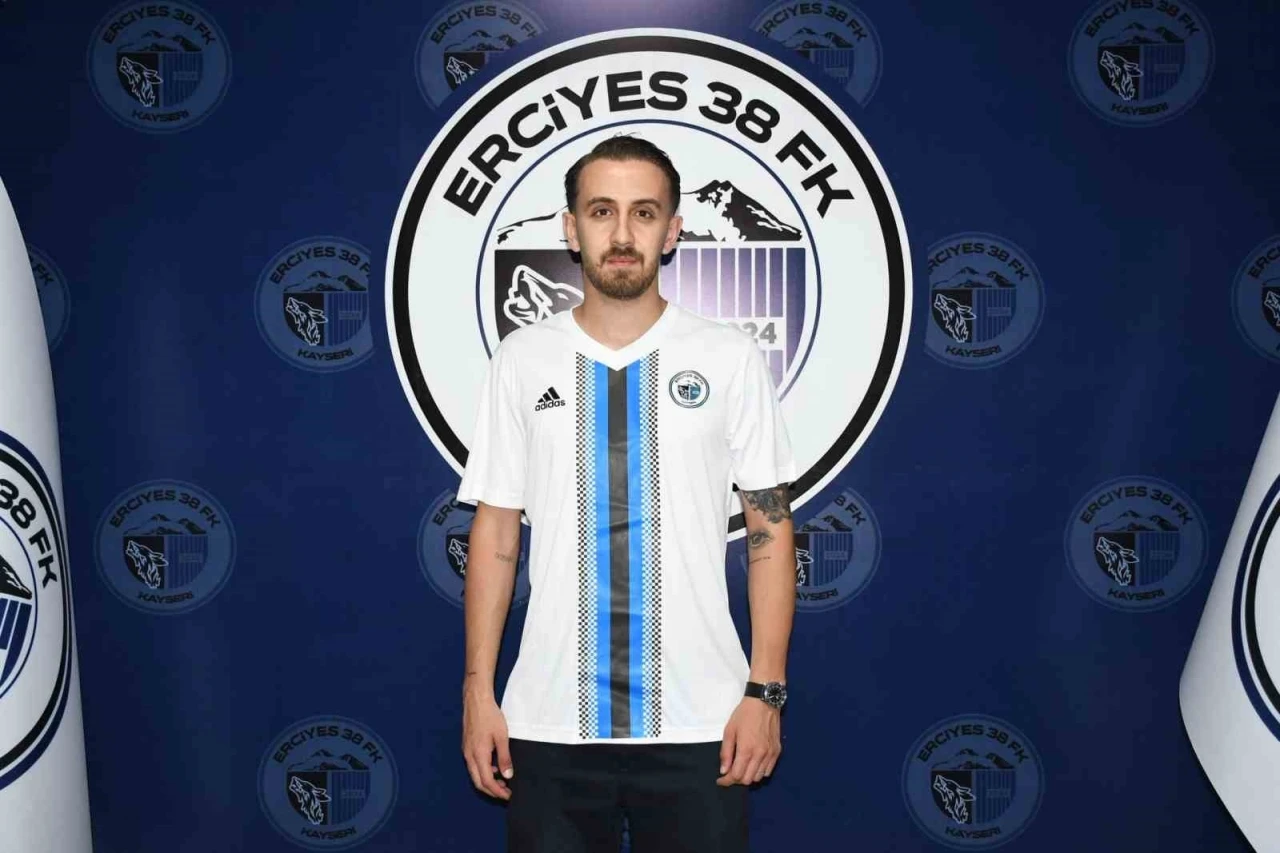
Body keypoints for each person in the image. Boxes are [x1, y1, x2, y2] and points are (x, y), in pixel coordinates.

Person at [456, 135, 797, 853]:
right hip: (549, 720)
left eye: (644, 213)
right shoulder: (521, 360)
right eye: (601, 210)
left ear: (672, 231)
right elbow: (496, 535)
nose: (621, 234)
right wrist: (478, 691)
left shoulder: (729, 357)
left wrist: (765, 692)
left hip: (704, 723)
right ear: (570, 227)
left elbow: (770, 533)